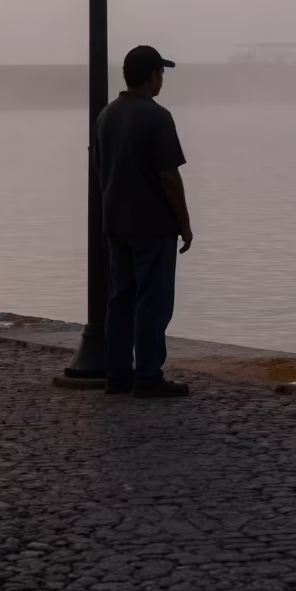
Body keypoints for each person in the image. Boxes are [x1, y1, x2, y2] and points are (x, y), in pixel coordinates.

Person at [95, 45, 193, 398]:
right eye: (161, 74)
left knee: (120, 299)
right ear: (151, 77)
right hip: (152, 224)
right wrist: (184, 221)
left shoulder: (106, 115)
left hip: (116, 222)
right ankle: (148, 376)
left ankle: (117, 376)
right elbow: (168, 176)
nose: (162, 80)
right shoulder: (157, 117)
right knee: (153, 300)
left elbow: (102, 172)